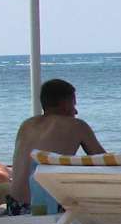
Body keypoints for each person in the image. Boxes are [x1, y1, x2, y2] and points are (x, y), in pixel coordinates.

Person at [9, 79, 105, 213]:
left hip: (15, 207)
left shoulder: (26, 125)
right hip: (45, 209)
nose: (76, 111)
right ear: (65, 104)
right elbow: (104, 161)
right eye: (74, 104)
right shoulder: (76, 125)